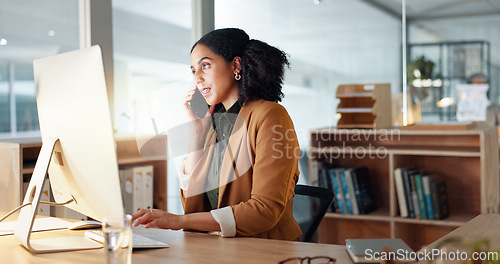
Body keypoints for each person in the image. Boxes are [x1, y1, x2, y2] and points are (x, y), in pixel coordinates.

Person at [131, 28, 302, 240]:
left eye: (205, 66)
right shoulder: (214, 121)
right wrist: (198, 132)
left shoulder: (270, 115)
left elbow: (264, 210)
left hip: (265, 248)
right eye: (193, 70)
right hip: (219, 248)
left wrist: (177, 221)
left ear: (236, 66)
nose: (197, 78)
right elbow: (194, 201)